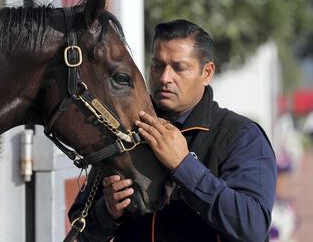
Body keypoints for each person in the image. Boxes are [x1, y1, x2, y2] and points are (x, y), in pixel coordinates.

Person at [68, 19, 277, 241]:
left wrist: (184, 165)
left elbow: (252, 227)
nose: (165, 78)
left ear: (207, 73)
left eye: (179, 68)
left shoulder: (241, 136)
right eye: (157, 66)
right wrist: (108, 212)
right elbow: (80, 230)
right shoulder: (123, 128)